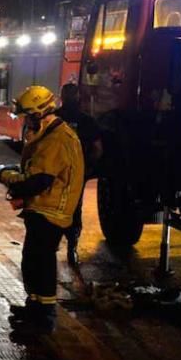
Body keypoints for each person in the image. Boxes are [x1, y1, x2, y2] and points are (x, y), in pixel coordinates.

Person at [0, 86, 84, 333]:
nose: (26, 121)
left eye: (28, 115)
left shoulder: (57, 139)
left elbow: (39, 181)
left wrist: (6, 177)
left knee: (41, 263)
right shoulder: (48, 133)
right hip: (44, 208)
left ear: (39, 112)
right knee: (32, 261)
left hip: (51, 211)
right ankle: (35, 307)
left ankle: (44, 317)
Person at [57, 80, 102, 277]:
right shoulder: (87, 120)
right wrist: (88, 168)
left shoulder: (53, 119)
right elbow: (98, 149)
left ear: (62, 98)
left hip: (55, 174)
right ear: (78, 97)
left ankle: (53, 247)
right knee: (75, 209)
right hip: (77, 174)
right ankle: (72, 249)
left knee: (54, 209)